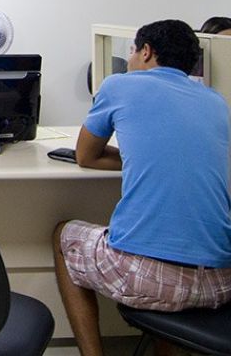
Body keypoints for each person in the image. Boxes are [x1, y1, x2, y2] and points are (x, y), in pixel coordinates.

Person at [53, 19, 231, 356]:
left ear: (146, 51)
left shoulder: (119, 85)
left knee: (63, 235)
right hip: (221, 283)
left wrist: (137, 159)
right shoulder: (217, 102)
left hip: (153, 282)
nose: (131, 59)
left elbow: (86, 155)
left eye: (133, 51)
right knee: (168, 271)